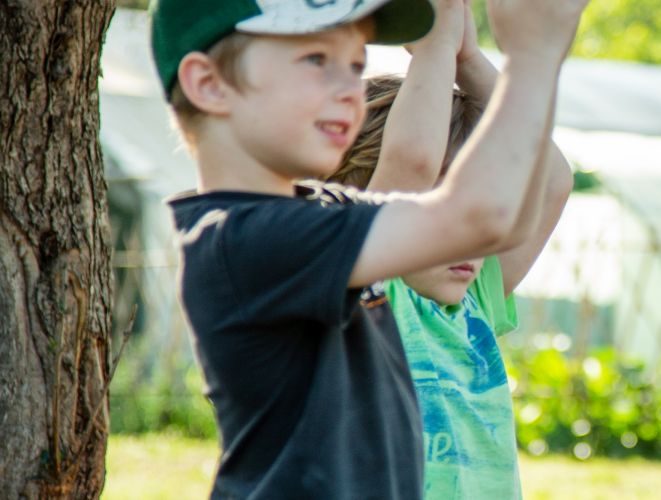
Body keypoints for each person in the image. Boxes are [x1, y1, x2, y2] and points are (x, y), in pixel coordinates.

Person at [149, 0, 586, 496]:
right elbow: (439, 188)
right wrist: (531, 55)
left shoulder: (307, 220)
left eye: (355, 66)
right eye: (316, 60)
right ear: (208, 83)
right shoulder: (249, 240)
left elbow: (508, 213)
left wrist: (464, 58)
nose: (349, 90)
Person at [326, 1, 572, 496]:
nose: (469, 234)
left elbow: (552, 181)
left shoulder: (474, 298)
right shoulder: (369, 290)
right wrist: (435, 47)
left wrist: (469, 61)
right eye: (444, 209)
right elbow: (410, 171)